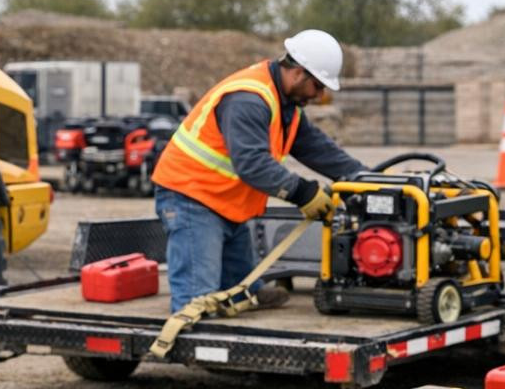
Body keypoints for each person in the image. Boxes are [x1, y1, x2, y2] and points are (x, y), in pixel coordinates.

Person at [150, 29, 371, 312]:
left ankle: (247, 294)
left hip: (223, 200)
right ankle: (196, 328)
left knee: (242, 283)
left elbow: (316, 148)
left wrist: (364, 177)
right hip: (192, 198)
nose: (319, 95)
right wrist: (303, 193)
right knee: (197, 302)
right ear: (298, 73)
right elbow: (252, 163)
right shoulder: (249, 99)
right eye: (318, 86)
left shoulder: (285, 104)